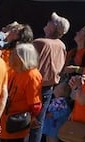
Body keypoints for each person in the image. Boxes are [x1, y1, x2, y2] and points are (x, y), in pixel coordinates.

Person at [31, 12, 69, 142]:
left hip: (33, 87)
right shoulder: (62, 45)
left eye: (50, 22)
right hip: (48, 89)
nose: (47, 23)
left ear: (53, 28)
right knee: (38, 123)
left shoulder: (40, 43)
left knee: (25, 121)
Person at [0, 43, 42, 142]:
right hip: (4, 121)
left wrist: (32, 118)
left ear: (22, 57)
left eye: (15, 54)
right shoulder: (14, 71)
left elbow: (35, 104)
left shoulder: (32, 75)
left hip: (17, 123)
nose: (11, 55)